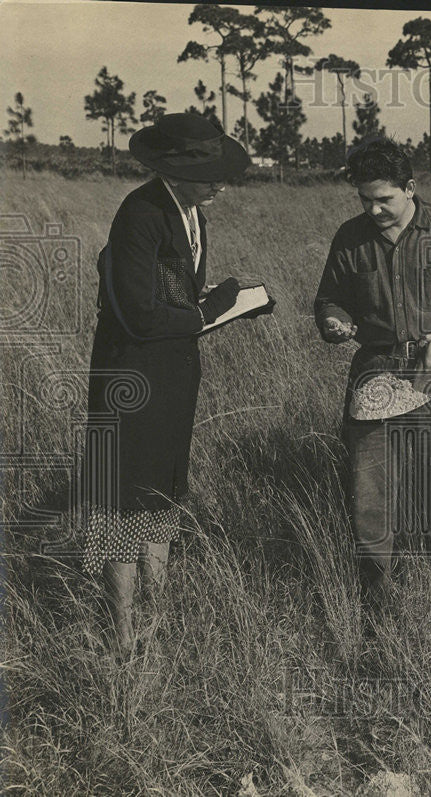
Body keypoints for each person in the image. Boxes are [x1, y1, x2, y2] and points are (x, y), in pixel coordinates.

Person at [314, 137, 431, 637]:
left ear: (411, 188)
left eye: (385, 199)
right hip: (376, 370)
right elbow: (329, 299)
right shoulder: (350, 238)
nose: (374, 209)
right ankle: (378, 608)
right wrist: (334, 321)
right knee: (369, 494)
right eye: (365, 200)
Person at [83, 112, 256, 654]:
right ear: (174, 171)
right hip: (131, 379)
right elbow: (137, 313)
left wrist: (219, 303)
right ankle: (123, 635)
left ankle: (156, 619)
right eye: (210, 175)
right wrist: (210, 314)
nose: (220, 185)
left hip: (174, 375)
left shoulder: (191, 210)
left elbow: (174, 297)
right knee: (122, 500)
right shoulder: (140, 212)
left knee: (163, 495)